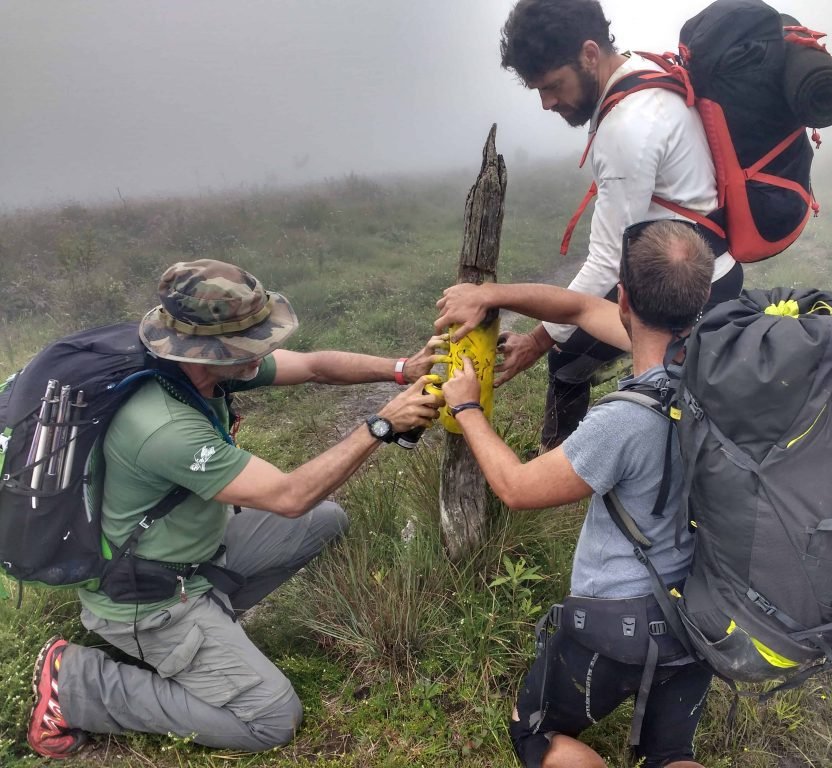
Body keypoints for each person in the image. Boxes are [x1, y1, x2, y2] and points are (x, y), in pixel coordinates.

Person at [26, 258, 444, 758]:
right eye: (250, 344)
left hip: (192, 559)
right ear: (203, 350)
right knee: (270, 720)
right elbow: (289, 496)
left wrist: (401, 369)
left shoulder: (192, 370)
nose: (264, 352)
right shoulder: (164, 428)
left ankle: (211, 629)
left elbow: (312, 366)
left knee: (326, 521)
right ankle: (77, 684)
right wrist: (380, 426)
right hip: (148, 601)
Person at [435, 219, 714, 768]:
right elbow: (580, 309)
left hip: (617, 626)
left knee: (534, 733)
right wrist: (490, 294)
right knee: (671, 754)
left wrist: (467, 406)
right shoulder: (723, 367)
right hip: (700, 616)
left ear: (625, 296)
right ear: (702, 297)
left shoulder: (621, 424)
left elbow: (516, 487)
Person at [495, 0, 742, 450]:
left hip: (691, 290)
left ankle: (563, 464)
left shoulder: (627, 127)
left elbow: (606, 262)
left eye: (552, 85)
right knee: (667, 386)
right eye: (538, 90)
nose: (547, 103)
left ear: (590, 54)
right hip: (702, 270)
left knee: (571, 360)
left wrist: (535, 341)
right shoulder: (639, 75)